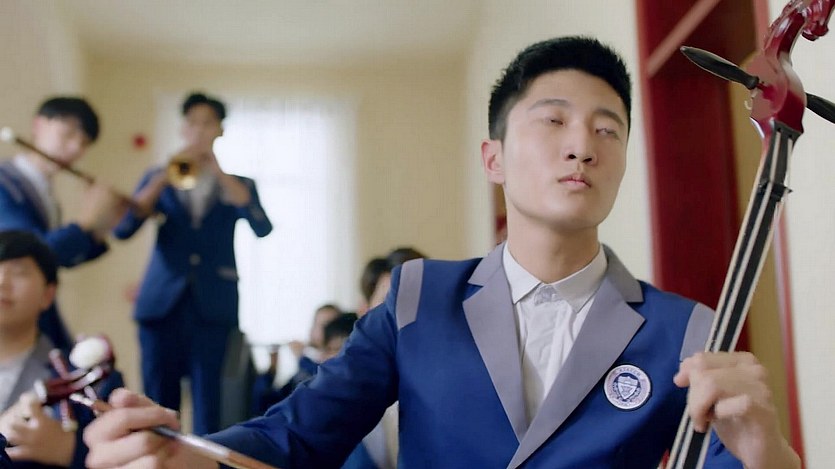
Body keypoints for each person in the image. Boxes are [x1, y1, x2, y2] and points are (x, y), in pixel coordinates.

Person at [83, 37, 798, 469]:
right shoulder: (417, 295)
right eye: (552, 121)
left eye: (607, 130)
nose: (582, 145)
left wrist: (769, 450)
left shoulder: (687, 329)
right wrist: (189, 455)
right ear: (493, 158)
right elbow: (298, 436)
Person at [112, 91, 273, 435]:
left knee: (210, 404)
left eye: (208, 123)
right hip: (161, 306)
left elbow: (262, 228)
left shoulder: (239, 184)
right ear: (183, 129)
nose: (199, 130)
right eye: (193, 123)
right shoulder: (160, 177)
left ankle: (205, 459)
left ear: (220, 130)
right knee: (157, 400)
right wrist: (163, 176)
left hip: (214, 308)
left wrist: (218, 171)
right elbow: (124, 228)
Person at [0, 97, 127, 352]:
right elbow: (29, 254)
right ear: (39, 125)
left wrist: (98, 228)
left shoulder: (47, 195)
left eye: (83, 143)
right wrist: (86, 222)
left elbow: (57, 260)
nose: (74, 149)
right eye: (67, 135)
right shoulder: (5, 184)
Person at [0, 230, 123, 468]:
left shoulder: (87, 378)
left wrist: (71, 451)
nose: (2, 281)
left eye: (19, 272)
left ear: (48, 295)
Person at [251, 304, 341, 416]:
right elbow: (267, 404)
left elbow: (323, 382)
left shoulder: (335, 366)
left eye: (331, 326)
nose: (327, 331)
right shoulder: (304, 371)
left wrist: (301, 358)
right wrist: (271, 371)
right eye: (321, 325)